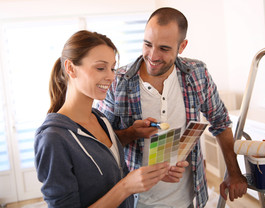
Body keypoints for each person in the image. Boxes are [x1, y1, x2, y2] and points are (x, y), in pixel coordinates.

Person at [96, 7, 248, 208]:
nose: (152, 55)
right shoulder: (118, 81)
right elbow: (101, 144)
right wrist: (132, 133)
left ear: (182, 46)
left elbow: (220, 122)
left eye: (164, 48)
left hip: (187, 199)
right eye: (147, 44)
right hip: (135, 202)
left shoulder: (197, 74)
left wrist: (234, 172)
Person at [34, 30, 170, 208]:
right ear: (70, 68)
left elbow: (101, 157)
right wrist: (126, 187)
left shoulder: (100, 119)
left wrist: (132, 134)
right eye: (100, 68)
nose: (112, 76)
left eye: (112, 68)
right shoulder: (53, 138)